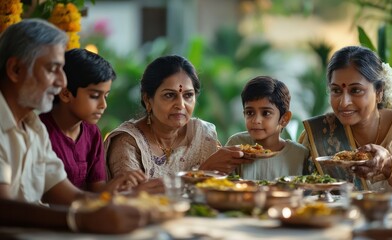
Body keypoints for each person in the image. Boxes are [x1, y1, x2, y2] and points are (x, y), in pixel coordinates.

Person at [0, 19, 146, 233]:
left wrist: (133, 204)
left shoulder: (33, 127)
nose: (61, 82)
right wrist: (79, 220)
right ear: (15, 69)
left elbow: (70, 195)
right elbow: (4, 209)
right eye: (52, 69)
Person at [299, 46, 392, 205]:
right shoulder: (319, 134)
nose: (344, 102)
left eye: (355, 90)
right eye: (336, 91)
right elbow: (300, 194)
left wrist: (389, 166)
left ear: (379, 92)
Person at [105, 55, 253, 182]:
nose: (181, 105)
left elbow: (219, 187)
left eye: (188, 95)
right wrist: (202, 172)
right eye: (169, 95)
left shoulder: (203, 135)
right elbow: (132, 197)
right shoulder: (128, 142)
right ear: (148, 99)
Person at [39, 48, 145, 192]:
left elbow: (96, 190)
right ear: (65, 93)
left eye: (106, 96)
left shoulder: (91, 132)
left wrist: (121, 186)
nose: (103, 105)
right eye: (95, 96)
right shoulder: (39, 131)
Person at [225, 76, 309, 180]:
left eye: (266, 113)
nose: (256, 120)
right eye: (250, 112)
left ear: (284, 119)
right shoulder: (236, 144)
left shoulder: (299, 154)